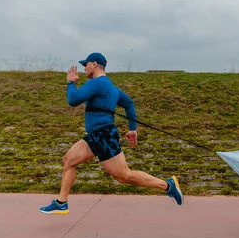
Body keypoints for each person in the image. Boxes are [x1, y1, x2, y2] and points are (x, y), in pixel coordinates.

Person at [40, 52, 183, 215]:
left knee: (124, 176)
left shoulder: (96, 83)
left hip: (103, 135)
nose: (84, 69)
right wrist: (132, 128)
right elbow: (129, 103)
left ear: (94, 64)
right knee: (69, 160)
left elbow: (73, 100)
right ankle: (61, 202)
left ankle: (168, 185)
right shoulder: (111, 88)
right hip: (96, 135)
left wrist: (70, 82)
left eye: (85, 65)